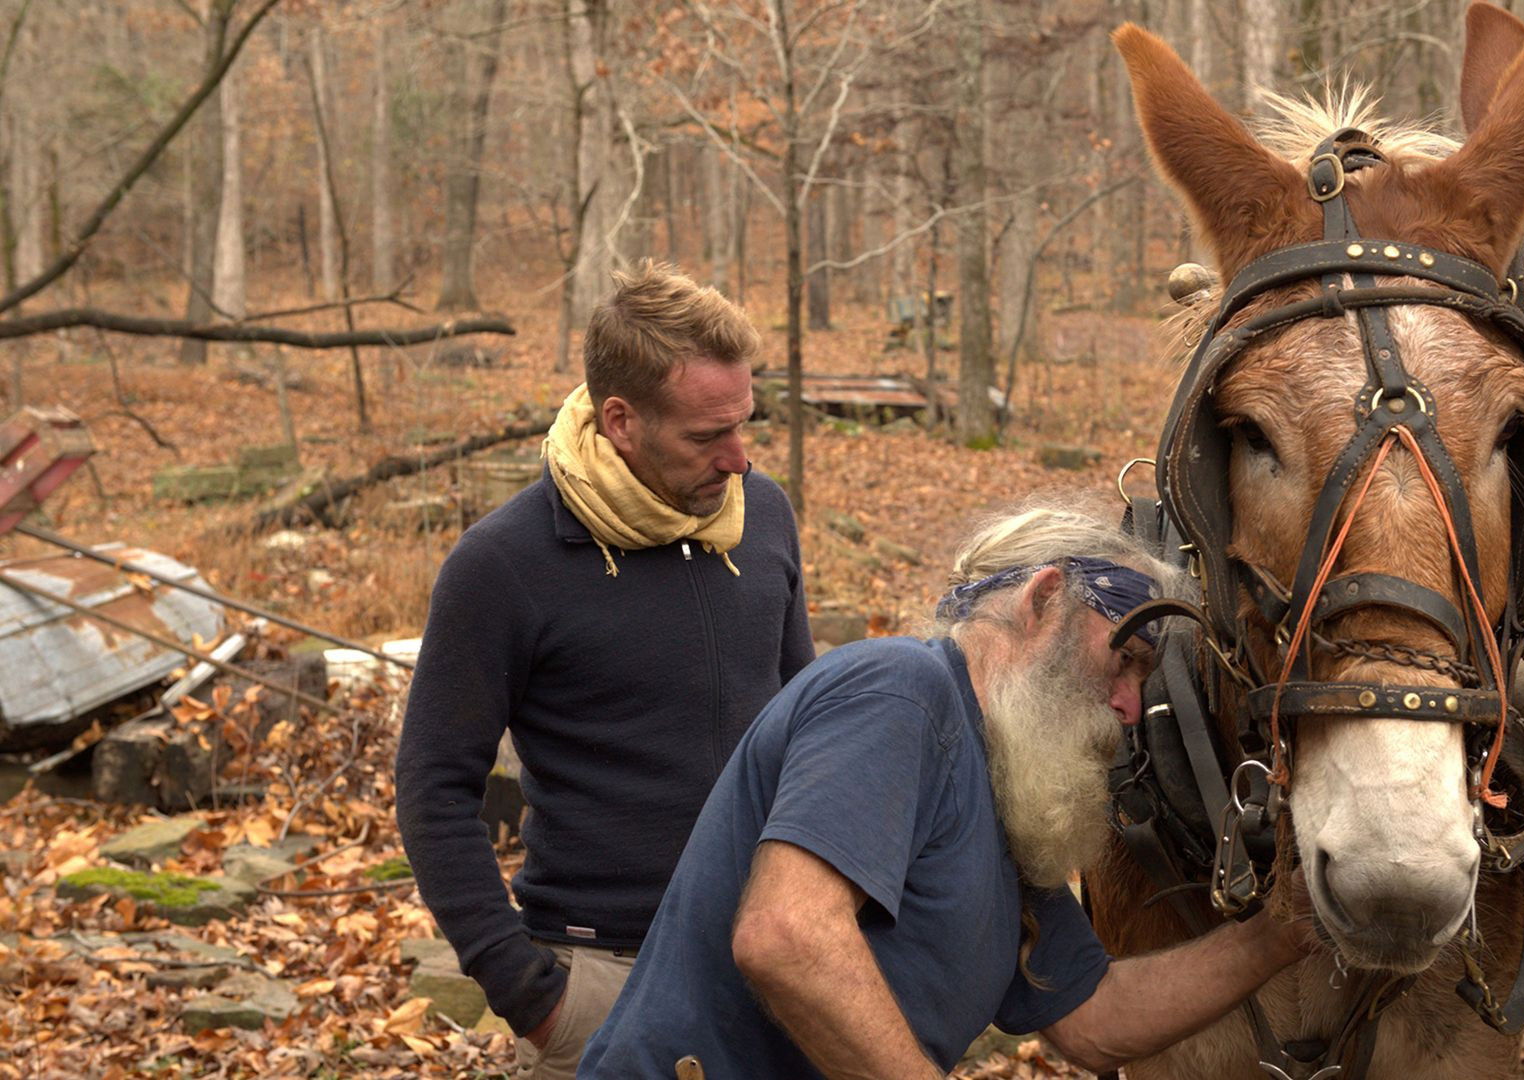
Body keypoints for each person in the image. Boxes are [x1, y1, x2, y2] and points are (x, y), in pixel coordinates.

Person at [578, 505, 1314, 1078]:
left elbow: (1096, 1023)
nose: (1128, 707)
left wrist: (1280, 932)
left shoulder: (1005, 798)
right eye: (1125, 660)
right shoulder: (901, 691)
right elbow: (787, 936)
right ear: (1045, 600)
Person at [395, 263, 813, 1079]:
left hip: (781, 963)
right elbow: (432, 787)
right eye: (705, 436)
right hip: (605, 982)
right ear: (621, 421)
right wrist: (533, 997)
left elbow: (807, 725)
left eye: (744, 423)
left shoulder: (760, 514)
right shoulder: (504, 563)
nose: (739, 457)